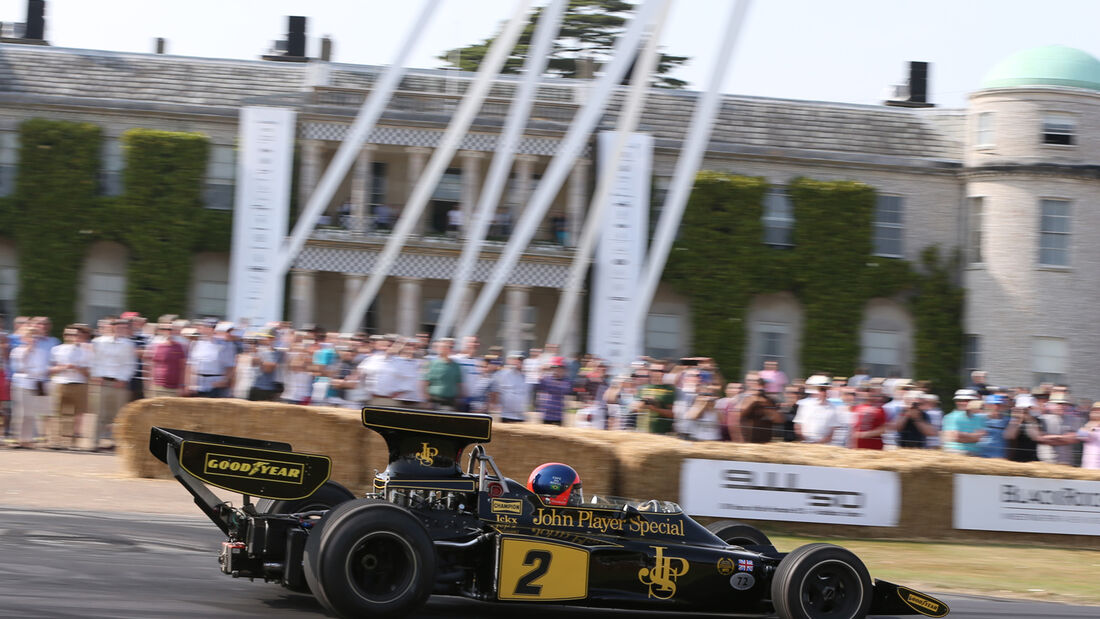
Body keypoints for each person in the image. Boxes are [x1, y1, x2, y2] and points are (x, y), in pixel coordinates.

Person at [91, 318, 137, 451]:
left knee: (117, 415)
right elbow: (95, 361)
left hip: (119, 384)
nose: (120, 330)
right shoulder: (99, 342)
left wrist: (123, 379)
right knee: (100, 413)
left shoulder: (128, 344)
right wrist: (96, 375)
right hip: (103, 381)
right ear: (112, 328)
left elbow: (130, 364)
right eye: (118, 327)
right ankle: (95, 441)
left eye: (123, 328)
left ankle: (114, 442)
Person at [48, 325, 91, 449]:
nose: (72, 337)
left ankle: (73, 441)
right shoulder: (57, 349)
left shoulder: (86, 351)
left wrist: (78, 368)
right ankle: (58, 440)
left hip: (79, 383)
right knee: (60, 413)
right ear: (64, 336)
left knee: (78, 414)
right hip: (61, 382)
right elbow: (50, 369)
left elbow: (89, 373)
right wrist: (63, 368)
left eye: (75, 335)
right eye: (69, 334)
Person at [186, 320, 234, 398]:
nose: (208, 330)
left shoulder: (225, 345)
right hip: (198, 384)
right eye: (206, 327)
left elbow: (230, 366)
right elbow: (189, 366)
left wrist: (225, 381)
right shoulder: (195, 344)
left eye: (212, 328)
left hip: (215, 385)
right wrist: (188, 384)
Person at [1038, 393, 1081, 465]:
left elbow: (1075, 438)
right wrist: (1064, 438)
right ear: (1050, 405)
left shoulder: (1073, 420)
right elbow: (1040, 439)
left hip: (1066, 461)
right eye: (1058, 403)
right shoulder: (1043, 419)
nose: (1061, 406)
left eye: (1064, 404)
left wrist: (1051, 438)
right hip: (1047, 461)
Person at [147, 322, 187, 397]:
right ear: (161, 331)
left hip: (174, 388)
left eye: (171, 329)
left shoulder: (180, 346)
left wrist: (182, 385)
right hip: (158, 386)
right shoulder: (156, 345)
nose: (169, 331)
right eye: (165, 329)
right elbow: (152, 366)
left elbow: (183, 367)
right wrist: (150, 384)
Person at [422, 338, 464, 410]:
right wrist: (427, 399)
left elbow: (459, 384)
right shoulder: (431, 364)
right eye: (443, 347)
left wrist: (459, 398)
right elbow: (424, 382)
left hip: (450, 401)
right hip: (434, 400)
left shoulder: (456, 365)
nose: (447, 349)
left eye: (449, 347)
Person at [941, 390, 985, 455]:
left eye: (968, 400)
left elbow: (981, 438)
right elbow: (955, 437)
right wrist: (973, 437)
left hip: (975, 454)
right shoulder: (950, 417)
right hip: (955, 453)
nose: (964, 403)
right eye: (960, 400)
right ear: (956, 402)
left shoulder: (979, 418)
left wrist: (964, 436)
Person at [737, 378, 782, 443]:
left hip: (765, 440)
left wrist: (766, 406)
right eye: (760, 385)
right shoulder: (748, 399)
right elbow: (739, 416)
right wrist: (753, 402)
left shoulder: (771, 401)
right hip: (749, 440)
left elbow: (779, 420)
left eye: (764, 386)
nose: (762, 388)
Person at [636, 363, 676, 435]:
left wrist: (655, 408)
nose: (658, 373)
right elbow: (633, 408)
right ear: (650, 372)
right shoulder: (643, 388)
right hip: (643, 431)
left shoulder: (669, 390)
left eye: (661, 371)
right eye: (655, 370)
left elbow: (672, 414)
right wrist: (642, 404)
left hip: (661, 432)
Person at [488, 353, 529, 423]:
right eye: (517, 360)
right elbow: (494, 390)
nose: (519, 362)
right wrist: (494, 404)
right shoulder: (502, 374)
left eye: (521, 361)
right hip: (506, 415)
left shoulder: (526, 378)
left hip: (520, 416)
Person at [534, 357, 572, 426]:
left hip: (558, 416)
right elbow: (537, 387)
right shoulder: (546, 378)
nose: (557, 370)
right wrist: (540, 372)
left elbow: (564, 390)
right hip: (546, 415)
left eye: (560, 368)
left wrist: (552, 383)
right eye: (555, 368)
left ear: (564, 369)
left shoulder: (567, 381)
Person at [979, 394, 1010, 459]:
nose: (996, 407)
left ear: (1003, 406)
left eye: (999, 405)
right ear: (987, 406)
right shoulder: (978, 418)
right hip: (980, 456)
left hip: (999, 458)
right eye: (993, 405)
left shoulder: (1008, 420)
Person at [1076, 402, 1100, 470]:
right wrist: (1092, 425)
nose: (1097, 414)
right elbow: (1080, 436)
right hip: (1089, 468)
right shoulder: (1087, 427)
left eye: (1099, 412)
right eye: (1095, 411)